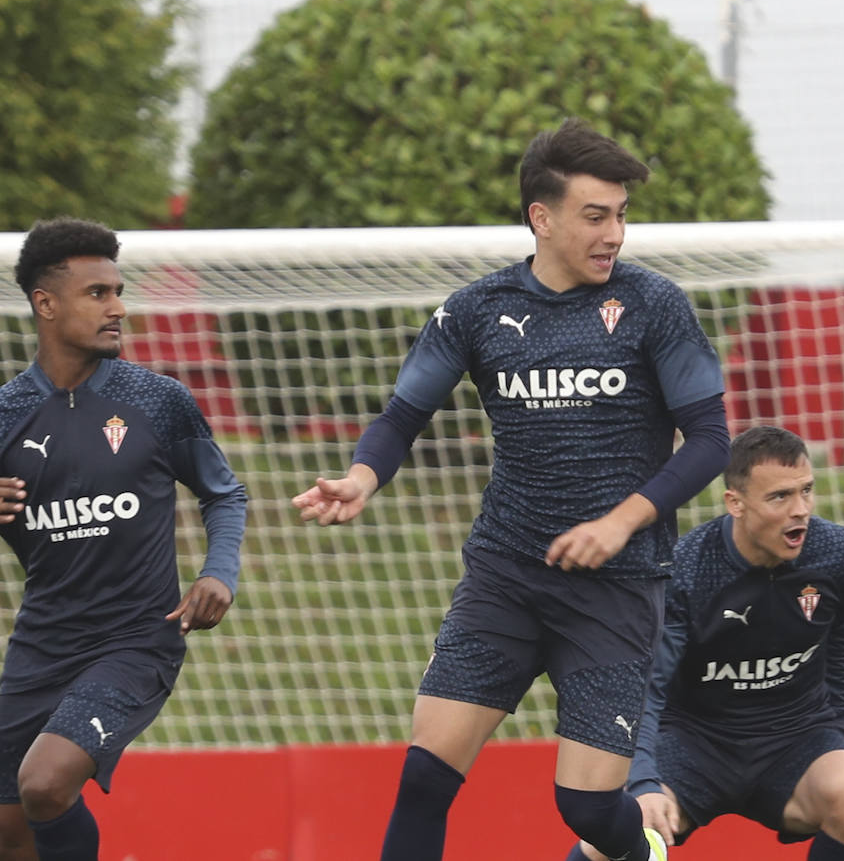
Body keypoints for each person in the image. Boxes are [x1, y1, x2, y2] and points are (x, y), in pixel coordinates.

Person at [293, 118, 730, 861]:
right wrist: (362, 477)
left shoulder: (655, 306)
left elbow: (713, 438)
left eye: (621, 215)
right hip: (507, 576)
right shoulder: (477, 310)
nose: (614, 233)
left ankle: (643, 850)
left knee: (588, 810)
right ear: (542, 217)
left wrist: (622, 522)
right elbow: (402, 417)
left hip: (617, 590)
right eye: (596, 215)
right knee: (426, 777)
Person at [0, 217, 248, 861]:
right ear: (46, 304)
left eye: (118, 290)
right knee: (8, 836)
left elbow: (223, 492)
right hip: (41, 648)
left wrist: (220, 571)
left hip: (135, 641)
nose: (118, 307)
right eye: (97, 293)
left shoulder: (158, 401)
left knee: (44, 784)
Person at [567, 426, 844, 861]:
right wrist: (643, 781)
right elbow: (647, 686)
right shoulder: (687, 570)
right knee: (617, 836)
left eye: (806, 491)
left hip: (797, 735)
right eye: (780, 497)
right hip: (694, 743)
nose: (800, 510)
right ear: (736, 503)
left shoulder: (836, 553)